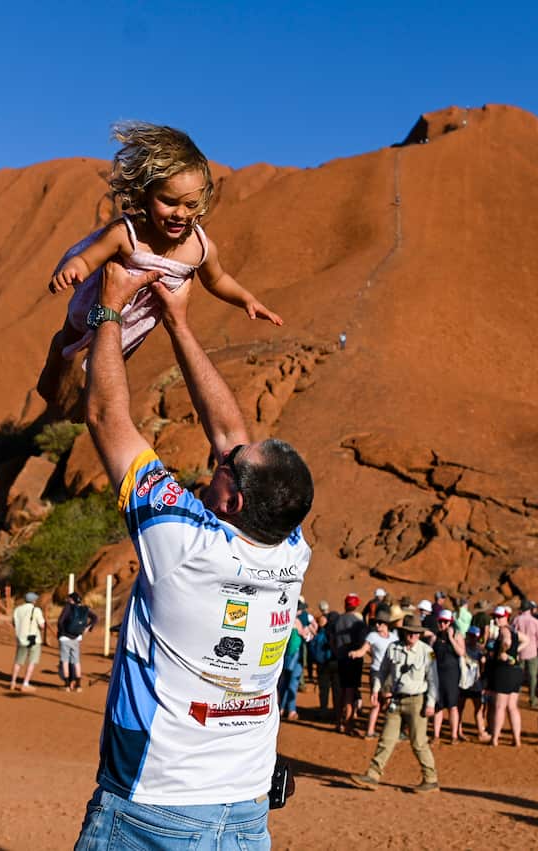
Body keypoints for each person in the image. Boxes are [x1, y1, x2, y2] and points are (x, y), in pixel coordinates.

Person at [72, 259, 314, 849]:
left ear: (231, 499)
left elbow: (107, 416)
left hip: (155, 806)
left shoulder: (183, 542)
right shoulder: (291, 548)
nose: (220, 456)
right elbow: (232, 435)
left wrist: (109, 309)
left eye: (226, 468)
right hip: (244, 809)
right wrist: (179, 323)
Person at [40, 122, 282, 407]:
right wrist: (74, 269)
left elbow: (217, 280)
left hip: (138, 321)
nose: (180, 213)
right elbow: (88, 257)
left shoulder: (200, 248)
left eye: (191, 205)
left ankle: (90, 406)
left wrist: (247, 300)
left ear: (203, 202)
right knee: (69, 340)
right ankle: (53, 375)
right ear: (146, 194)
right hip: (95, 306)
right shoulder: (127, 235)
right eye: (168, 201)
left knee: (112, 364)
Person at [349, 614, 439, 793]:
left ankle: (431, 779)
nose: (412, 636)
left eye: (416, 633)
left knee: (419, 742)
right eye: (409, 632)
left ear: (420, 634)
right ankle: (373, 775)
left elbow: (433, 679)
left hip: (417, 701)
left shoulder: (427, 651)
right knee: (386, 739)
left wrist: (430, 703)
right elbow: (382, 672)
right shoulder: (393, 648)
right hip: (395, 700)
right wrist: (376, 689)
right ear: (403, 632)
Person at [350, 616, 396, 739]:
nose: (377, 625)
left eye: (380, 622)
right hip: (376, 672)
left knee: (388, 702)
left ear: (386, 623)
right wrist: (356, 653)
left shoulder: (394, 637)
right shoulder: (372, 636)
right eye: (376, 623)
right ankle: (370, 731)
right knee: (377, 703)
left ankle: (387, 730)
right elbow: (364, 650)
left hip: (390, 673)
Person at [487, 606, 526, 747]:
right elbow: (526, 640)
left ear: (506, 617)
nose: (496, 619)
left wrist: (504, 652)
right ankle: (517, 739)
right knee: (512, 707)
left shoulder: (504, 630)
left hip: (504, 672)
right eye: (495, 617)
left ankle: (495, 739)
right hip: (515, 672)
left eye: (499, 617)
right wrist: (514, 653)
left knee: (499, 706)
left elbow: (506, 641)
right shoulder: (514, 630)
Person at [330, 593, 367, 735]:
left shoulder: (337, 621)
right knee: (350, 693)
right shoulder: (358, 622)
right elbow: (364, 642)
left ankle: (339, 722)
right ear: (356, 605)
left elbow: (332, 641)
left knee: (341, 692)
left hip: (341, 659)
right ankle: (348, 724)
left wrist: (338, 652)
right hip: (354, 661)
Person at [430, 609, 466, 744]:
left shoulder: (457, 635)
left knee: (452, 705)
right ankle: (436, 735)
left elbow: (461, 652)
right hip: (438, 673)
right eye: (440, 622)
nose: (442, 624)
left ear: (450, 622)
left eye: (445, 622)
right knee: (438, 705)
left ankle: (454, 735)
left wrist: (451, 639)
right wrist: (432, 662)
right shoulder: (435, 637)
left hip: (452, 674)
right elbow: (430, 653)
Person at [277, 602, 314, 720]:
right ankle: (291, 710)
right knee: (292, 684)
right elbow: (307, 637)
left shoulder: (284, 621)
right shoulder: (297, 622)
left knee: (283, 684)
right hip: (296, 659)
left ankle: (280, 709)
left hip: (284, 658)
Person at [57, 592, 98, 693]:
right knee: (76, 661)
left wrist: (62, 632)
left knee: (65, 661)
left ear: (72, 600)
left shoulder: (68, 607)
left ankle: (67, 685)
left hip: (65, 638)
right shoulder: (85, 608)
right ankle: (78, 685)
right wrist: (88, 628)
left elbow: (60, 621)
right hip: (77, 638)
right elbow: (95, 618)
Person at [10, 592, 47, 692]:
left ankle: (13, 682)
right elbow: (42, 625)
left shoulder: (17, 609)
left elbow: (13, 623)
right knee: (31, 662)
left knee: (18, 661)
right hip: (34, 639)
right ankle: (25, 683)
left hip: (21, 638)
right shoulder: (36, 610)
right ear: (34, 600)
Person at [512, 599, 538, 710]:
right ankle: (532, 698)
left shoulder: (516, 620)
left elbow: (513, 635)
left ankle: (515, 698)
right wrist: (534, 647)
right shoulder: (535, 621)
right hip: (532, 652)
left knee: (518, 675)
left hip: (519, 651)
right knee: (532, 676)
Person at [310, 602, 337, 718]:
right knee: (336, 688)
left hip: (322, 664)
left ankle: (323, 710)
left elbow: (312, 648)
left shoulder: (320, 633)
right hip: (335, 663)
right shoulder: (336, 631)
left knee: (324, 688)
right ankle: (337, 711)